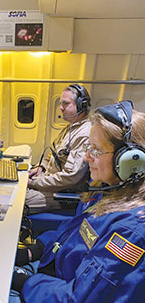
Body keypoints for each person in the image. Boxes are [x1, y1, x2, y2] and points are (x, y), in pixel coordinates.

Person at [3, 100, 145, 303]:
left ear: (130, 162)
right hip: (58, 283)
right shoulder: (108, 192)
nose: (86, 157)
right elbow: (71, 234)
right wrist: (33, 251)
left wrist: (26, 284)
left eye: (96, 150)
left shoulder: (130, 233)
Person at [25, 84, 91, 214]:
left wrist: (34, 183)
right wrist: (41, 168)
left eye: (66, 104)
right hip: (49, 182)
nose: (61, 108)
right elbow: (53, 152)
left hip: (62, 194)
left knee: (13, 203)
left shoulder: (84, 134)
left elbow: (70, 177)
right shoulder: (71, 127)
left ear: (81, 105)